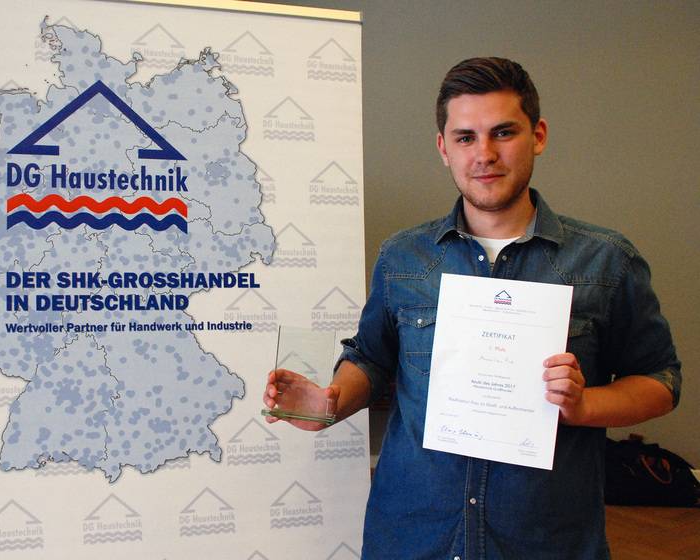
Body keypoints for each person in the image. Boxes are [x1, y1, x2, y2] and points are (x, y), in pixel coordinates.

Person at [263, 57, 681, 559]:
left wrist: (583, 405)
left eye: (503, 132)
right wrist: (329, 404)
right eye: (465, 137)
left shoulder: (605, 261)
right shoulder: (403, 257)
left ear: (538, 136)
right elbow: (371, 358)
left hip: (544, 542)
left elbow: (661, 382)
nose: (484, 154)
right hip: (415, 536)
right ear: (444, 148)